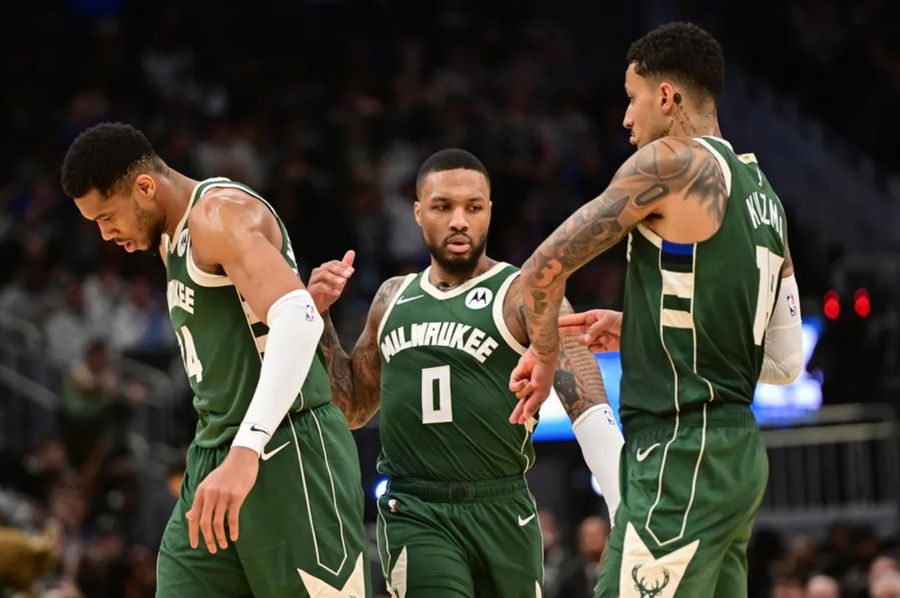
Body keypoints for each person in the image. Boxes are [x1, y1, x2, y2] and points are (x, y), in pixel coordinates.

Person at [509, 22, 804, 597]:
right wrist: (646, 329)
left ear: (665, 97)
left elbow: (541, 270)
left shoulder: (670, 164)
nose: (625, 118)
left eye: (631, 97)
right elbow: (784, 362)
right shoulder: (764, 193)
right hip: (738, 456)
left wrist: (546, 352)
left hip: (678, 452)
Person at [60, 123, 370, 597]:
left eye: (107, 217)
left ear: (145, 187)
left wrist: (247, 452)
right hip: (214, 450)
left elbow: (299, 320)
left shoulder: (218, 215)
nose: (104, 235)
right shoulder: (169, 238)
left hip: (285, 447)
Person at [309, 148, 623, 597]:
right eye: (442, 207)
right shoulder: (390, 298)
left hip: (504, 507)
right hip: (416, 509)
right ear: (418, 213)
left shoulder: (522, 294)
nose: (459, 220)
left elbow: (589, 403)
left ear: (489, 212)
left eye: (473, 207)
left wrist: (622, 509)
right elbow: (355, 407)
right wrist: (318, 318)